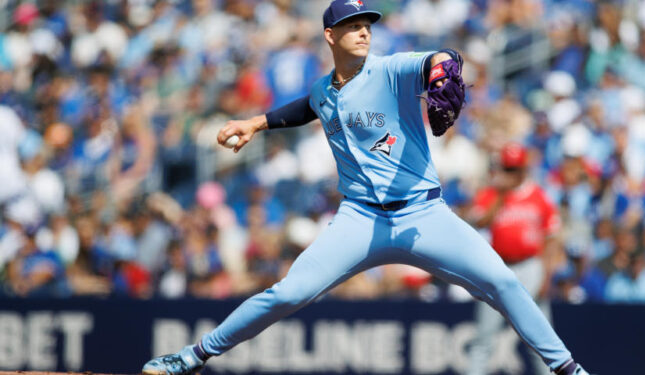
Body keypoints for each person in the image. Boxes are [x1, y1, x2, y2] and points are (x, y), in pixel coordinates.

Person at [142, 1, 588, 374]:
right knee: (289, 292)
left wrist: (442, 69)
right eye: (351, 26)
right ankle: (192, 357)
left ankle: (570, 370)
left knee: (503, 283)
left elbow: (442, 58)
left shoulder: (391, 71)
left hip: (422, 215)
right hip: (360, 219)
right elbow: (309, 106)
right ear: (329, 36)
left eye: (366, 25)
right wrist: (255, 123)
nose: (363, 32)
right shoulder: (325, 89)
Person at [467, 142, 563, 375]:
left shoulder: (539, 195)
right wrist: (500, 195)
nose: (508, 174)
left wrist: (546, 275)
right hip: (497, 267)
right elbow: (478, 222)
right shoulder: (491, 193)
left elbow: (552, 239)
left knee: (539, 338)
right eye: (506, 168)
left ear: (523, 169)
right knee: (484, 337)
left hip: (530, 266)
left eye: (513, 169)